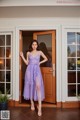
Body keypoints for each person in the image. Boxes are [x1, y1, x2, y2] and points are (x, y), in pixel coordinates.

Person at [20, 40, 48, 116]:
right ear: (31, 45)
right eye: (33, 44)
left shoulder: (40, 52)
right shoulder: (28, 53)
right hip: (29, 70)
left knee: (38, 87)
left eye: (36, 44)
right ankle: (32, 103)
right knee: (30, 86)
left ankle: (40, 107)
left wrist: (39, 62)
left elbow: (46, 59)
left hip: (37, 71)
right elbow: (27, 63)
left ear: (37, 45)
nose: (34, 46)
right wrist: (22, 56)